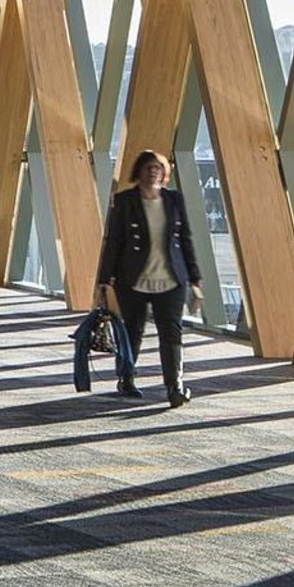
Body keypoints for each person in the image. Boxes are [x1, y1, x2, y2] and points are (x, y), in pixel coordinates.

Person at [95, 149, 204, 406]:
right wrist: (104, 279)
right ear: (139, 172)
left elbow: (185, 238)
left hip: (171, 279)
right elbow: (113, 241)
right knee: (133, 331)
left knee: (171, 332)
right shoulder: (124, 201)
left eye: (158, 167)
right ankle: (126, 378)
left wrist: (194, 276)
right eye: (148, 167)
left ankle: (175, 386)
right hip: (133, 279)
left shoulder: (174, 199)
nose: (154, 171)